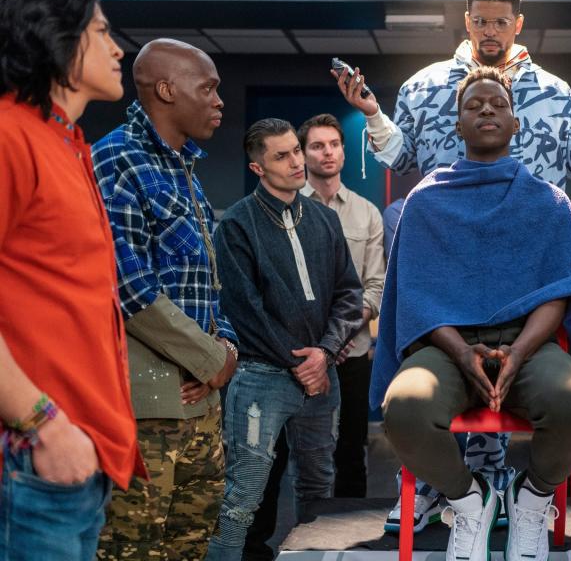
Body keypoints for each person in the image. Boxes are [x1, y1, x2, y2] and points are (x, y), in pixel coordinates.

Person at [334, 0, 571, 529]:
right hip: (448, 249)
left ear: (519, 23)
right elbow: (401, 158)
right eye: (480, 21)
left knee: (537, 389)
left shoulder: (554, 93)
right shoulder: (424, 86)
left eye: (501, 22)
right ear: (466, 20)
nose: (490, 31)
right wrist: (371, 113)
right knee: (431, 387)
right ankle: (443, 489)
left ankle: (508, 491)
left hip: (524, 263)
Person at [375, 67, 571, 561]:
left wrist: (518, 352)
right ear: (456, 126)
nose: (486, 111)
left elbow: (557, 293)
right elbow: (416, 293)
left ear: (516, 122)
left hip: (529, 342)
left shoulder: (548, 201)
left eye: (497, 104)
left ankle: (532, 497)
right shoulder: (426, 201)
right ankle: (468, 499)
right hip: (448, 343)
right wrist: (460, 350)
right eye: (473, 106)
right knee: (404, 409)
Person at [0, 0, 144, 561]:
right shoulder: (9, 135)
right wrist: (42, 424)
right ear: (54, 34)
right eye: (102, 31)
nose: (117, 49)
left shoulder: (66, 142)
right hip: (34, 454)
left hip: (77, 458)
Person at [93, 39, 239, 560]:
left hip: (202, 405)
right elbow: (127, 286)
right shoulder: (117, 160)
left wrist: (227, 350)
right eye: (209, 88)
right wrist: (211, 358)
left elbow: (208, 282)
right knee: (131, 550)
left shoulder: (184, 170)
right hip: (146, 406)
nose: (219, 101)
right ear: (166, 90)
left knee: (189, 547)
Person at [205, 118, 363, 560]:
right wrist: (302, 363)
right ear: (258, 168)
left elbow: (349, 294)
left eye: (297, 150)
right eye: (282, 155)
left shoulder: (324, 219)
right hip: (261, 378)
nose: (297, 162)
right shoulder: (236, 225)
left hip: (320, 380)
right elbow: (244, 312)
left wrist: (325, 353)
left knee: (318, 491)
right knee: (243, 495)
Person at [299, 113, 386, 497]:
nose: (327, 152)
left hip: (352, 352)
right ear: (303, 155)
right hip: (302, 352)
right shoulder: (288, 209)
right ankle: (305, 534)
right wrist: (321, 342)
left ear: (344, 152)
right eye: (317, 146)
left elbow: (376, 285)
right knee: (303, 451)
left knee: (352, 448)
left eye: (333, 144)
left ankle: (353, 537)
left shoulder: (367, 213)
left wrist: (341, 333)